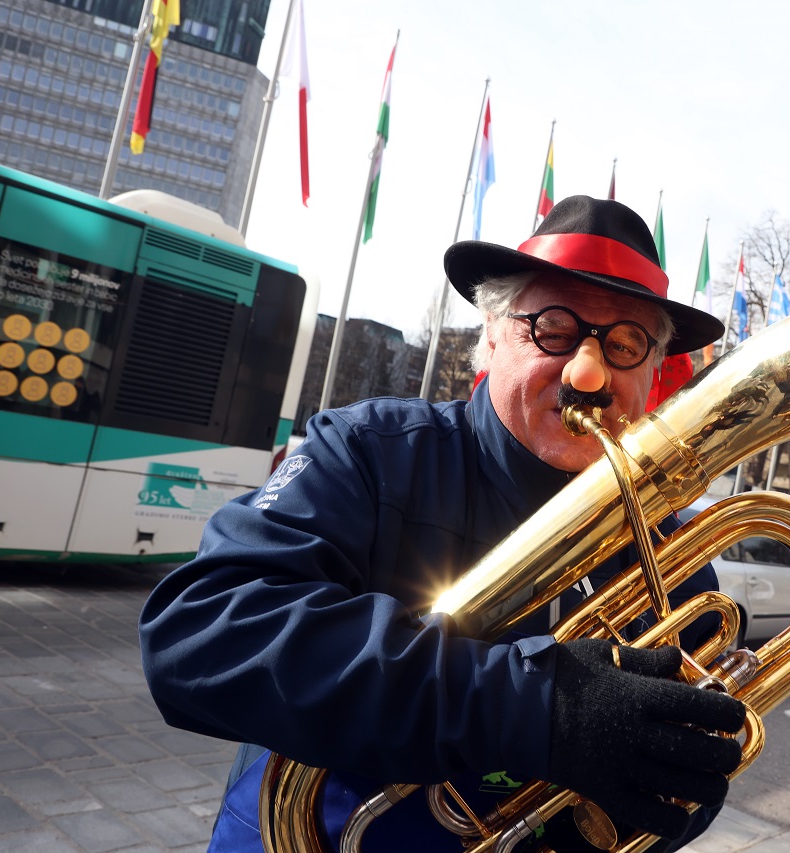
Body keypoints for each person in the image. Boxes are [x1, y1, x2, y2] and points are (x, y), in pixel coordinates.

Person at [138, 196, 745, 852]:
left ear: (652, 373)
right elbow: (198, 630)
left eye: (626, 344)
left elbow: (690, 769)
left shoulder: (667, 545)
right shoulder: (369, 450)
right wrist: (532, 706)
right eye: (553, 328)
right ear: (492, 333)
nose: (587, 373)